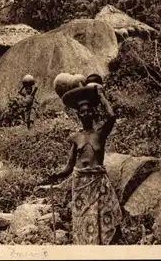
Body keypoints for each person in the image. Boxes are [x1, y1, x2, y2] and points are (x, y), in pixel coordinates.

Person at [46, 77, 123, 245]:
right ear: (78, 115)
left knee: (102, 217)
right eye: (82, 111)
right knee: (83, 220)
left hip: (98, 182)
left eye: (88, 110)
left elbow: (112, 116)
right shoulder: (75, 137)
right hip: (80, 184)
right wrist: (56, 175)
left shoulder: (100, 134)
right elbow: (69, 165)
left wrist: (101, 96)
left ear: (93, 112)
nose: (86, 113)